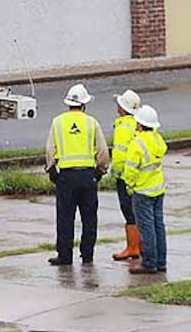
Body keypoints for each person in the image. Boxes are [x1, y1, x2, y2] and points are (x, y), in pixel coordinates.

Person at [45, 82, 109, 266]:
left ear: (68, 104)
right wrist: (99, 171)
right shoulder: (92, 123)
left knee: (65, 218)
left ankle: (64, 256)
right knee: (89, 218)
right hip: (87, 176)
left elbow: (50, 150)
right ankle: (87, 255)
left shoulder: (58, 122)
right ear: (84, 104)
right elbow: (103, 152)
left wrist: (52, 171)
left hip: (66, 177)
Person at [123, 103, 167, 275]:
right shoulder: (158, 139)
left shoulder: (137, 143)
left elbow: (131, 170)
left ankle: (149, 263)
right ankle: (161, 261)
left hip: (142, 191)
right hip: (158, 189)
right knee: (158, 226)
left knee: (147, 227)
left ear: (140, 124)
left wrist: (129, 185)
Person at [111, 88, 142, 261]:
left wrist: (115, 174)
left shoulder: (122, 126)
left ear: (123, 108)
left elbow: (119, 154)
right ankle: (142, 244)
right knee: (140, 212)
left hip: (125, 176)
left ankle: (132, 247)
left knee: (129, 211)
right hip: (140, 175)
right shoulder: (138, 123)